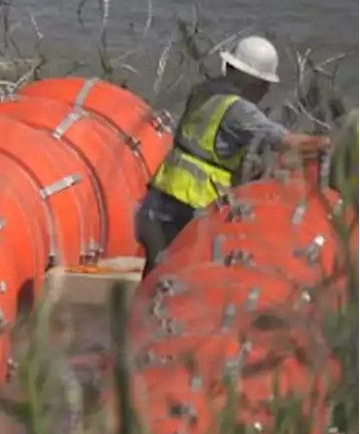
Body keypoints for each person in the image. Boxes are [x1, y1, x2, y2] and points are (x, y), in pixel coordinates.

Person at [135, 36, 331, 274]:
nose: (267, 88)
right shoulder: (239, 110)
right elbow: (285, 142)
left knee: (154, 282)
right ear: (249, 79)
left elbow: (215, 146)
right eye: (263, 82)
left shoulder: (204, 92)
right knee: (184, 284)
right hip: (187, 212)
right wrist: (331, 143)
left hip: (156, 203)